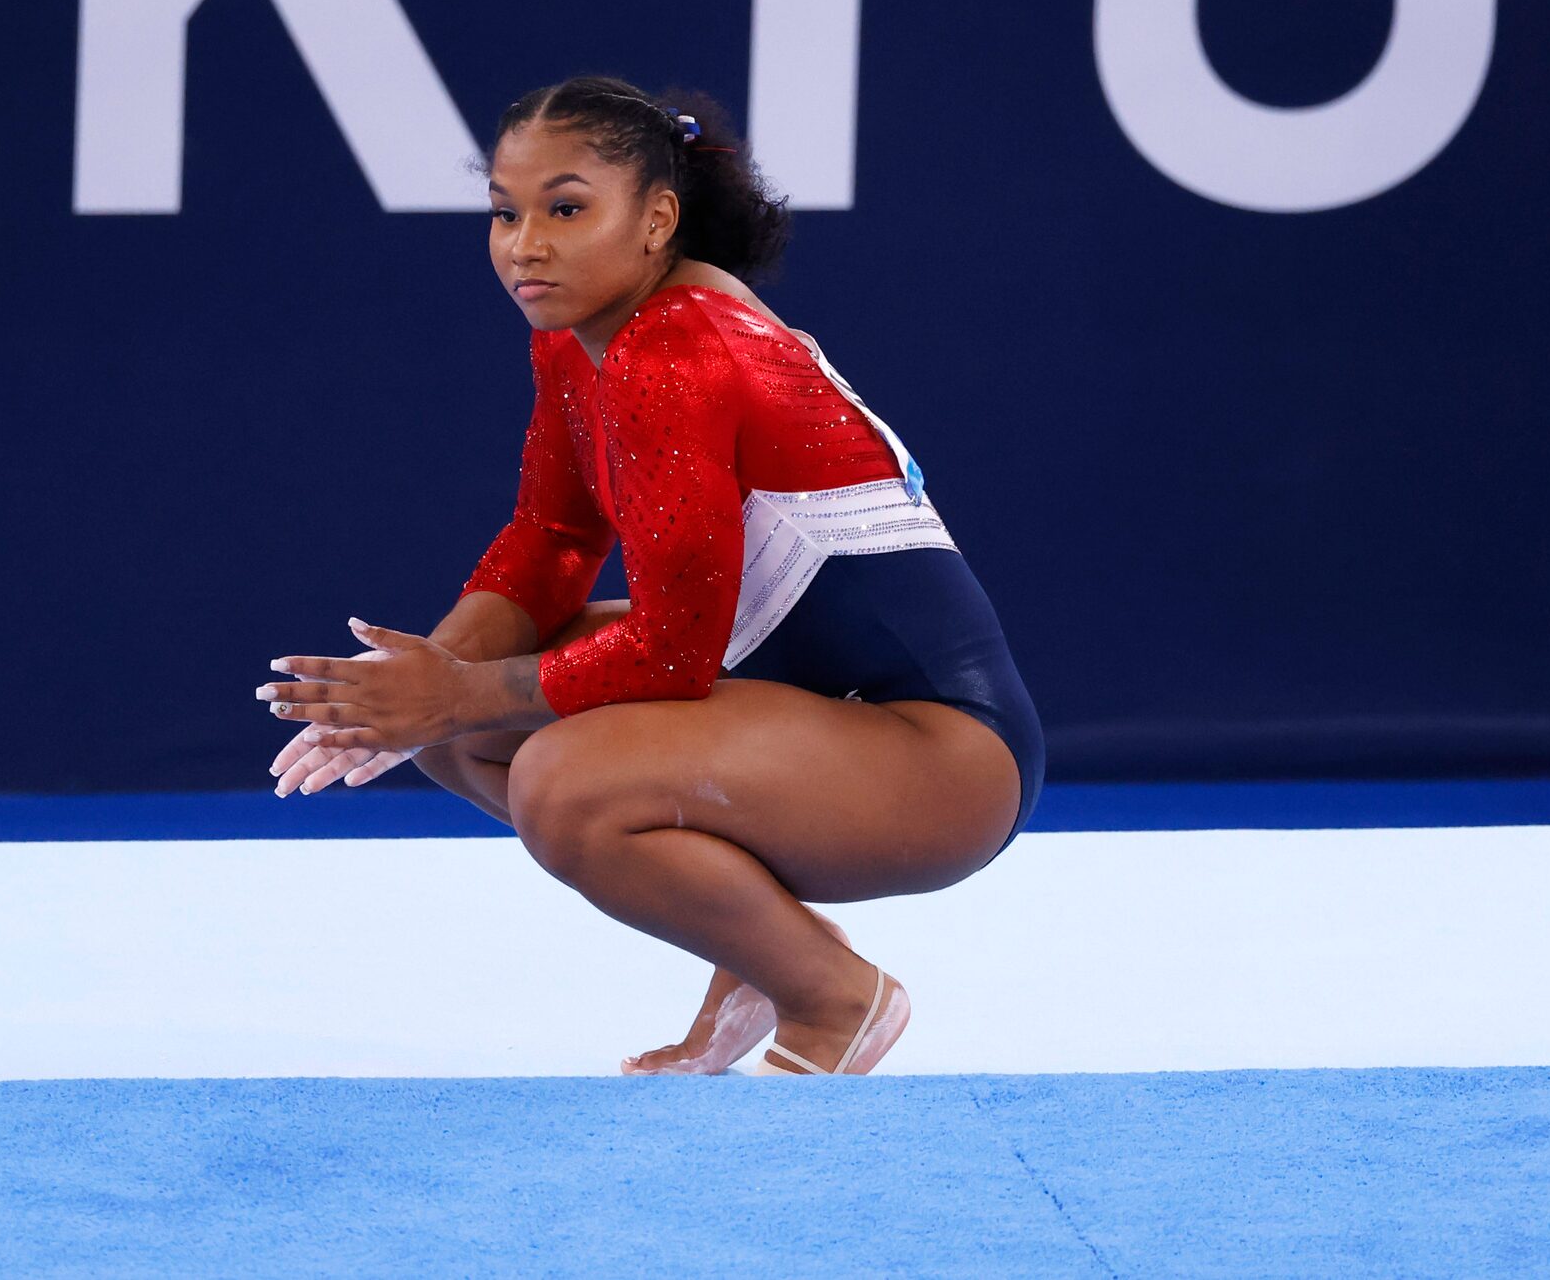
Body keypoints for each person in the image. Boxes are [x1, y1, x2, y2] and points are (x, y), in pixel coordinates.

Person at [257, 76, 1043, 1076]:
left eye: (566, 208)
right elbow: (549, 536)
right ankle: (763, 947)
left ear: (656, 218)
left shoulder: (674, 346)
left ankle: (832, 1000)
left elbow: (676, 650)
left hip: (946, 764)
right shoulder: (585, 337)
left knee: (558, 780)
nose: (524, 244)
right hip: (812, 711)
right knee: (457, 739)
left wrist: (452, 692)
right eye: (505, 211)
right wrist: (415, 689)